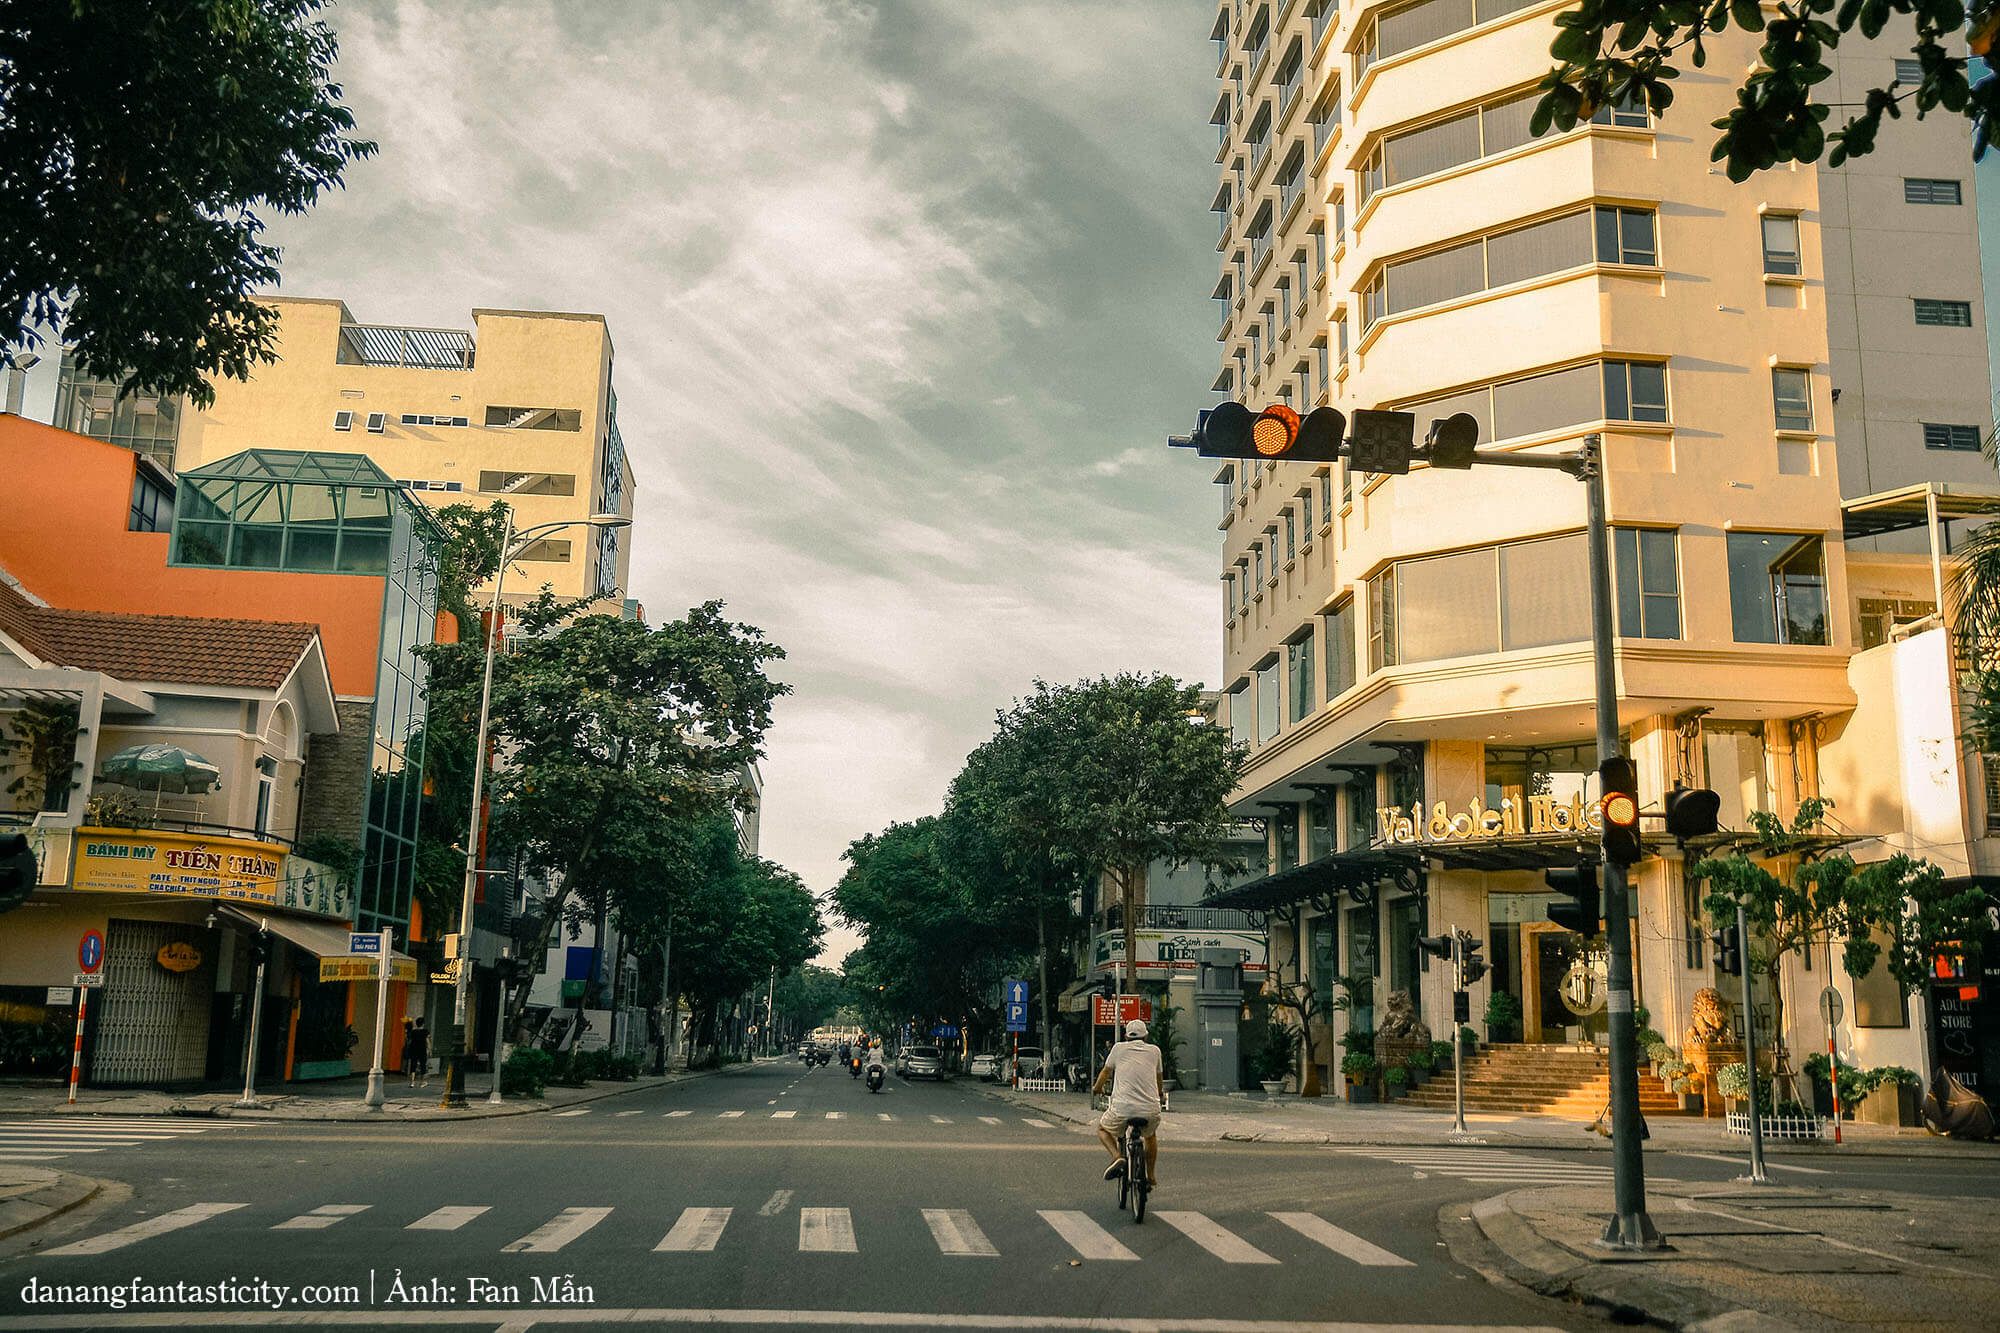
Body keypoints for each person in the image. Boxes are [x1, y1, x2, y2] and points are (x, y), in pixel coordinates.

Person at [1092, 1018, 1164, 1187]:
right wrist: (1160, 1095)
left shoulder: (1118, 1048)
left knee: (1102, 1129)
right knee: (1150, 1136)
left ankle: (1117, 1157)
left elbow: (1105, 1072)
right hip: (1150, 1109)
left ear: (1126, 1037)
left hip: (1122, 1109)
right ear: (1145, 1036)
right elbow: (1159, 1078)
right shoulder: (1155, 1051)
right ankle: (1151, 1176)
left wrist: (1097, 1088)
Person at [402, 1018, 429, 1089]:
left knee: (413, 1065)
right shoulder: (425, 1031)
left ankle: (412, 1082)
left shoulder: (413, 1032)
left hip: (413, 1050)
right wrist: (429, 1049)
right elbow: (427, 1041)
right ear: (423, 1024)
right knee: (423, 1065)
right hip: (422, 1050)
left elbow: (408, 1039)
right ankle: (422, 1082)